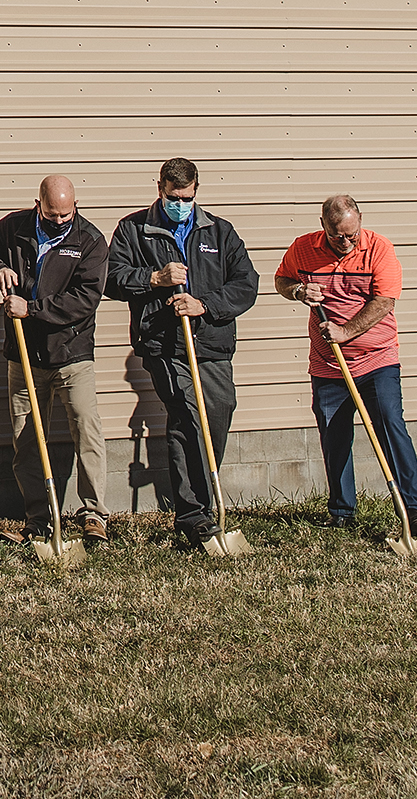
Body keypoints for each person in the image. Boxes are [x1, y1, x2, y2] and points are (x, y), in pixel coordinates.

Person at [106, 158, 258, 548]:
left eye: (187, 198)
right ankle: (193, 517)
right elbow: (109, 278)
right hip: (163, 344)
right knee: (187, 416)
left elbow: (246, 284)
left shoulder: (219, 232)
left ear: (196, 191)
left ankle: (203, 500)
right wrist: (153, 279)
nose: (180, 204)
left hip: (211, 342)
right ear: (159, 188)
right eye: (174, 197)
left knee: (219, 411)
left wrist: (204, 305)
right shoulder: (134, 229)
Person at [275, 195, 417, 536]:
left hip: (377, 361)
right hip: (328, 366)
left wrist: (346, 332)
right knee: (334, 437)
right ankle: (342, 511)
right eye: (337, 236)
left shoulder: (379, 248)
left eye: (351, 234)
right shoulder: (303, 249)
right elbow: (281, 280)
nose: (345, 242)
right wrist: (300, 291)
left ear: (360, 221)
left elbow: (385, 301)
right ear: (323, 227)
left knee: (391, 426)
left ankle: (414, 511)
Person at [0, 175, 111, 544]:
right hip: (24, 357)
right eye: (53, 213)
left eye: (68, 213)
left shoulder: (90, 241)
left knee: (86, 428)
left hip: (72, 353)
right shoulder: (14, 228)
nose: (61, 220)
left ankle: (94, 513)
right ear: (39, 205)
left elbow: (85, 300)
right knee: (27, 438)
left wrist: (31, 309)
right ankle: (39, 517)